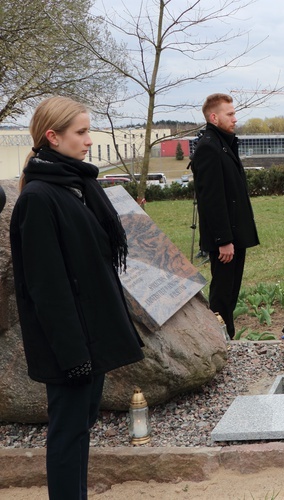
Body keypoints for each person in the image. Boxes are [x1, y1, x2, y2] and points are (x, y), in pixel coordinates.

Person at [9, 96, 145, 498]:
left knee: (80, 427)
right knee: (68, 435)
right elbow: (46, 288)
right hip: (70, 348)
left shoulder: (74, 186)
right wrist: (74, 357)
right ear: (53, 137)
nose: (89, 141)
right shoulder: (39, 198)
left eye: (89, 131)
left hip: (90, 338)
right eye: (81, 132)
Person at [192, 93, 260, 339]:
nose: (235, 118)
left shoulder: (222, 143)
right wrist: (223, 240)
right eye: (229, 114)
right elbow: (211, 199)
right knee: (222, 294)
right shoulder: (209, 148)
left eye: (234, 113)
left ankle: (226, 338)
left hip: (234, 233)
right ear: (214, 117)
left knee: (230, 292)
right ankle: (220, 340)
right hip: (226, 239)